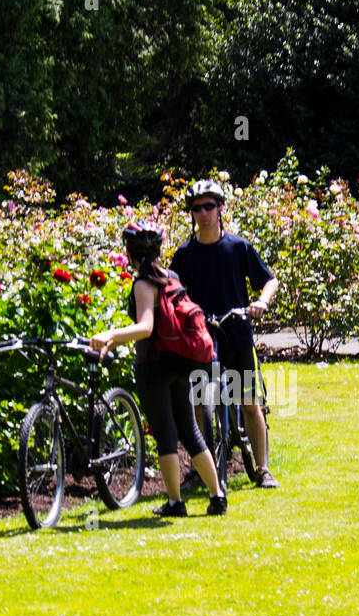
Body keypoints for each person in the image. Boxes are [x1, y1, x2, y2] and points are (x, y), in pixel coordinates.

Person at [90, 221, 227, 517]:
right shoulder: (172, 276)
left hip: (154, 365)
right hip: (181, 362)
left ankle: (176, 503)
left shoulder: (143, 282)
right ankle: (217, 497)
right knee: (190, 431)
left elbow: (145, 327)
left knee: (166, 436)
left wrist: (110, 336)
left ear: (131, 253)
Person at [170, 179, 281, 489]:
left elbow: (270, 281)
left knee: (248, 403)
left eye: (209, 207)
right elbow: (173, 291)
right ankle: (200, 469)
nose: (203, 213)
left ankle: (262, 469)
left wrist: (261, 301)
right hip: (200, 339)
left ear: (220, 209)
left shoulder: (238, 247)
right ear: (191, 214)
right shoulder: (185, 254)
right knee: (200, 407)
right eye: (196, 209)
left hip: (236, 335)